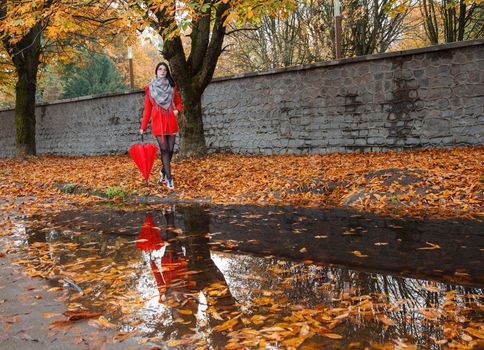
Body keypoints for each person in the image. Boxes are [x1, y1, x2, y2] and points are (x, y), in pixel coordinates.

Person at [140, 62, 182, 190]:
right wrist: (143, 126)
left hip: (171, 121)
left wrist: (177, 110)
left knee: (170, 151)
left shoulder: (172, 86)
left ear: (167, 72)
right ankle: (169, 178)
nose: (162, 71)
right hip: (158, 122)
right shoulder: (149, 89)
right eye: (160, 69)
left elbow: (179, 103)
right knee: (164, 150)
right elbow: (147, 109)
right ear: (156, 71)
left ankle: (163, 171)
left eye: (165, 69)